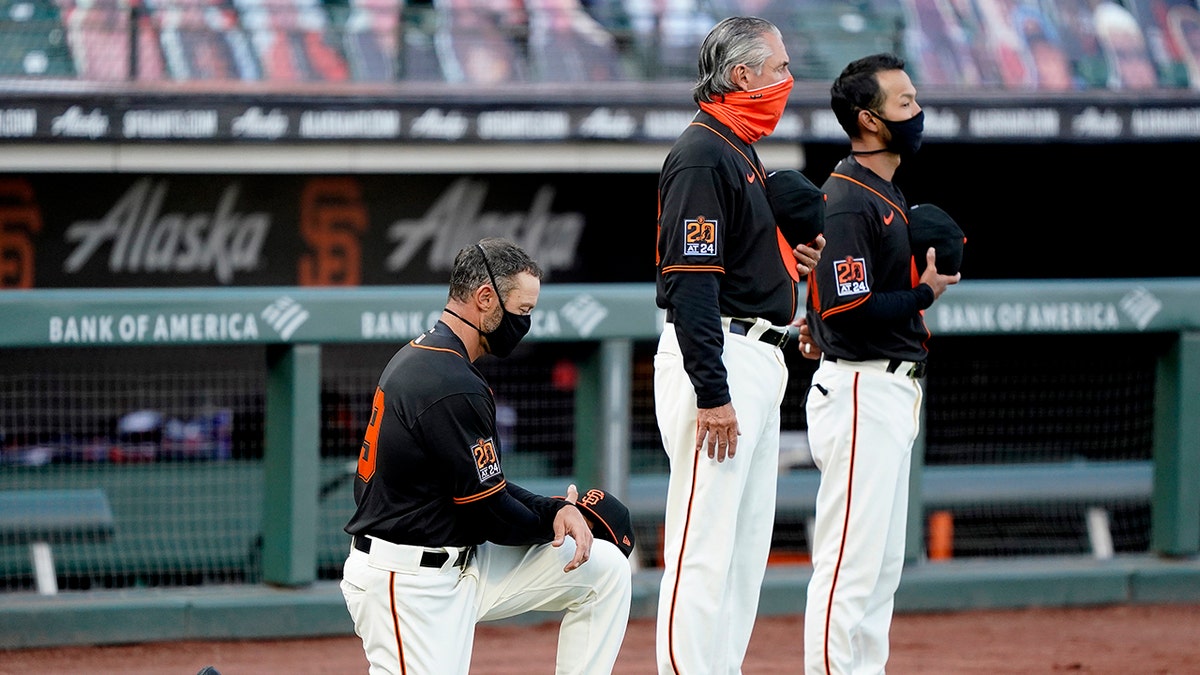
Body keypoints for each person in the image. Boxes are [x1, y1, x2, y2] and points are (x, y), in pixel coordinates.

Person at [341, 237, 633, 675]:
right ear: (484, 298)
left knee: (603, 570)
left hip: (461, 562)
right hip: (408, 582)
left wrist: (556, 509)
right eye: (522, 311)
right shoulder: (448, 380)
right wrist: (553, 520)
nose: (525, 323)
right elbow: (491, 514)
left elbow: (485, 488)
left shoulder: (438, 360)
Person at [653, 16, 824, 675]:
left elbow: (737, 269)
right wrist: (712, 390)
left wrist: (789, 269)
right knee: (703, 545)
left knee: (744, 549)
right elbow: (692, 283)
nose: (786, 80)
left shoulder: (740, 151)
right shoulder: (703, 152)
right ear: (743, 74)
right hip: (717, 357)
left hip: (757, 353)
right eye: (778, 67)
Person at [798, 53, 960, 675]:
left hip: (888, 391)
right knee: (849, 566)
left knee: (881, 570)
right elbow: (847, 311)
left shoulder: (883, 191)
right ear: (868, 120)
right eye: (904, 104)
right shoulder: (847, 198)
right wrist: (925, 293)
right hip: (863, 387)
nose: (917, 112)